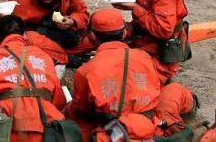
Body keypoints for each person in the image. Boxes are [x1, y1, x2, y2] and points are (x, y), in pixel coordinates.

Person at [68, 9, 195, 142]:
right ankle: (176, 126)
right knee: (176, 90)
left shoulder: (84, 71)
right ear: (123, 33)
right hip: (148, 127)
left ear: (93, 37)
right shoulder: (144, 57)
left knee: (71, 113)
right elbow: (156, 88)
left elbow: (81, 109)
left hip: (113, 132)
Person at [0, 14, 68, 141]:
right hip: (46, 126)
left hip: (4, 128)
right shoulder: (43, 56)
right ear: (24, 35)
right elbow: (58, 98)